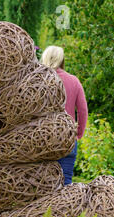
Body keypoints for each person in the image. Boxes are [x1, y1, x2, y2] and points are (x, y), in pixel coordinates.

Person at [41, 45, 88, 185]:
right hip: (67, 138)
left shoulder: (38, 81)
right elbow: (83, 110)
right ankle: (65, 207)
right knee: (66, 182)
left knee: (43, 183)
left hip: (43, 137)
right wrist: (77, 134)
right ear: (62, 60)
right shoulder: (74, 81)